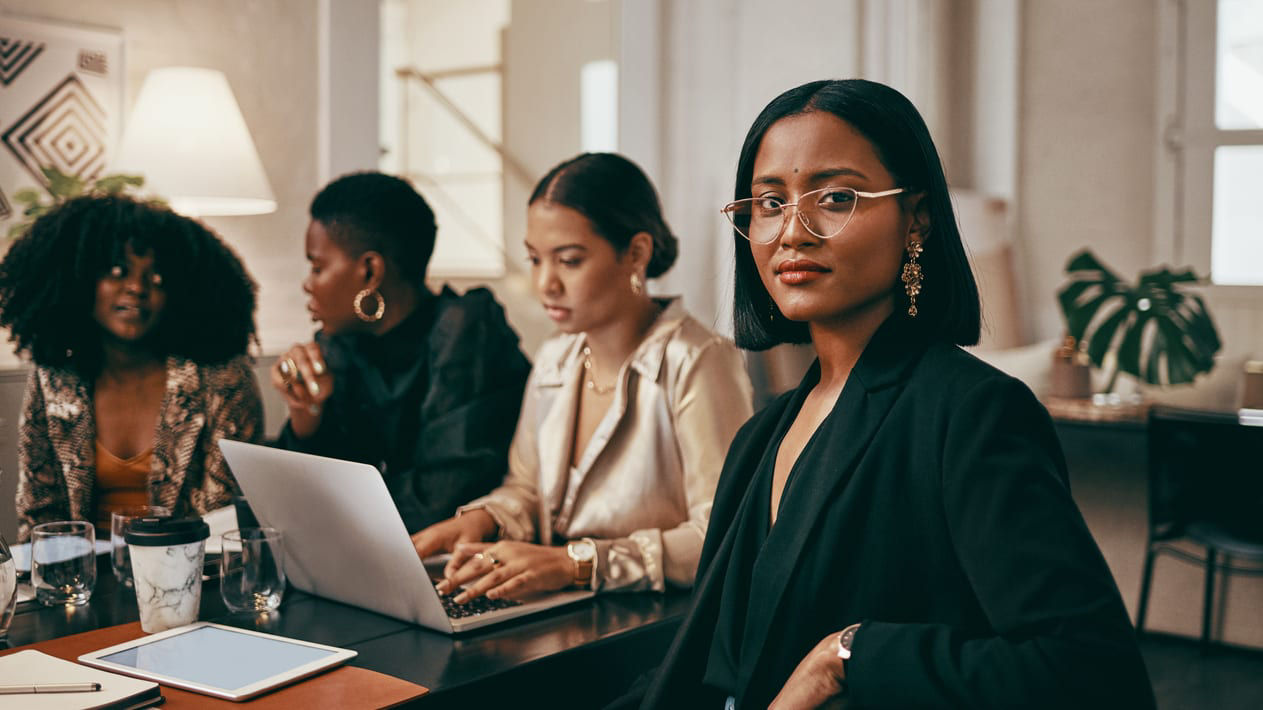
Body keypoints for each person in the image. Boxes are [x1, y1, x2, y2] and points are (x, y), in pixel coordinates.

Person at [636, 80, 1155, 708]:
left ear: (917, 218)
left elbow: (1092, 670)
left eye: (836, 197)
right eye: (770, 202)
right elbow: (710, 666)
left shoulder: (971, 414)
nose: (792, 232)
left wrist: (850, 654)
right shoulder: (759, 437)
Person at [411, 153, 753, 601]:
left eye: (569, 260)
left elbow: (723, 535)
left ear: (636, 253)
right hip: (561, 609)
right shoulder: (555, 358)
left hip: (658, 625)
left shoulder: (699, 362)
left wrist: (575, 563)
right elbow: (527, 488)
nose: (545, 283)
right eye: (535, 259)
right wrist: (485, 519)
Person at [272, 171, 530, 533]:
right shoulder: (342, 344)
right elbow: (293, 496)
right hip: (374, 561)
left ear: (370, 270)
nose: (308, 284)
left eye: (318, 267)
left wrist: (325, 511)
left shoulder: (466, 330)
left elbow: (439, 499)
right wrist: (306, 413)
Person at [0, 194, 263, 541]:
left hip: (189, 576)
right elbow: (39, 517)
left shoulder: (221, 379)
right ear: (80, 278)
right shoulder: (53, 379)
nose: (137, 288)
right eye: (117, 271)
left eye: (156, 279)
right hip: (82, 581)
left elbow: (224, 521)